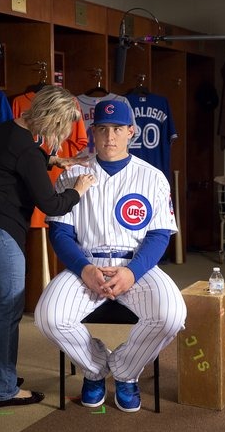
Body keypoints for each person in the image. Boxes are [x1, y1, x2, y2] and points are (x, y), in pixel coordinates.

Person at [35, 99, 187, 412]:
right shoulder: (73, 173)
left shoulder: (152, 177)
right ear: (93, 132)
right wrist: (84, 268)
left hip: (136, 265)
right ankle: (95, 368)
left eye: (117, 128)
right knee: (48, 317)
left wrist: (132, 272)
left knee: (172, 315)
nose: (110, 136)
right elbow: (61, 233)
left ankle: (125, 372)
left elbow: (159, 235)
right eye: (102, 129)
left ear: (131, 131)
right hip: (86, 264)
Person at [0, 85, 96, 408]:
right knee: (9, 308)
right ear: (51, 117)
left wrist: (51, 160)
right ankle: (3, 389)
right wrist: (79, 188)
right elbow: (51, 204)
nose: (59, 133)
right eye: (61, 126)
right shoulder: (29, 151)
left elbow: (13, 162)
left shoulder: (7, 131)